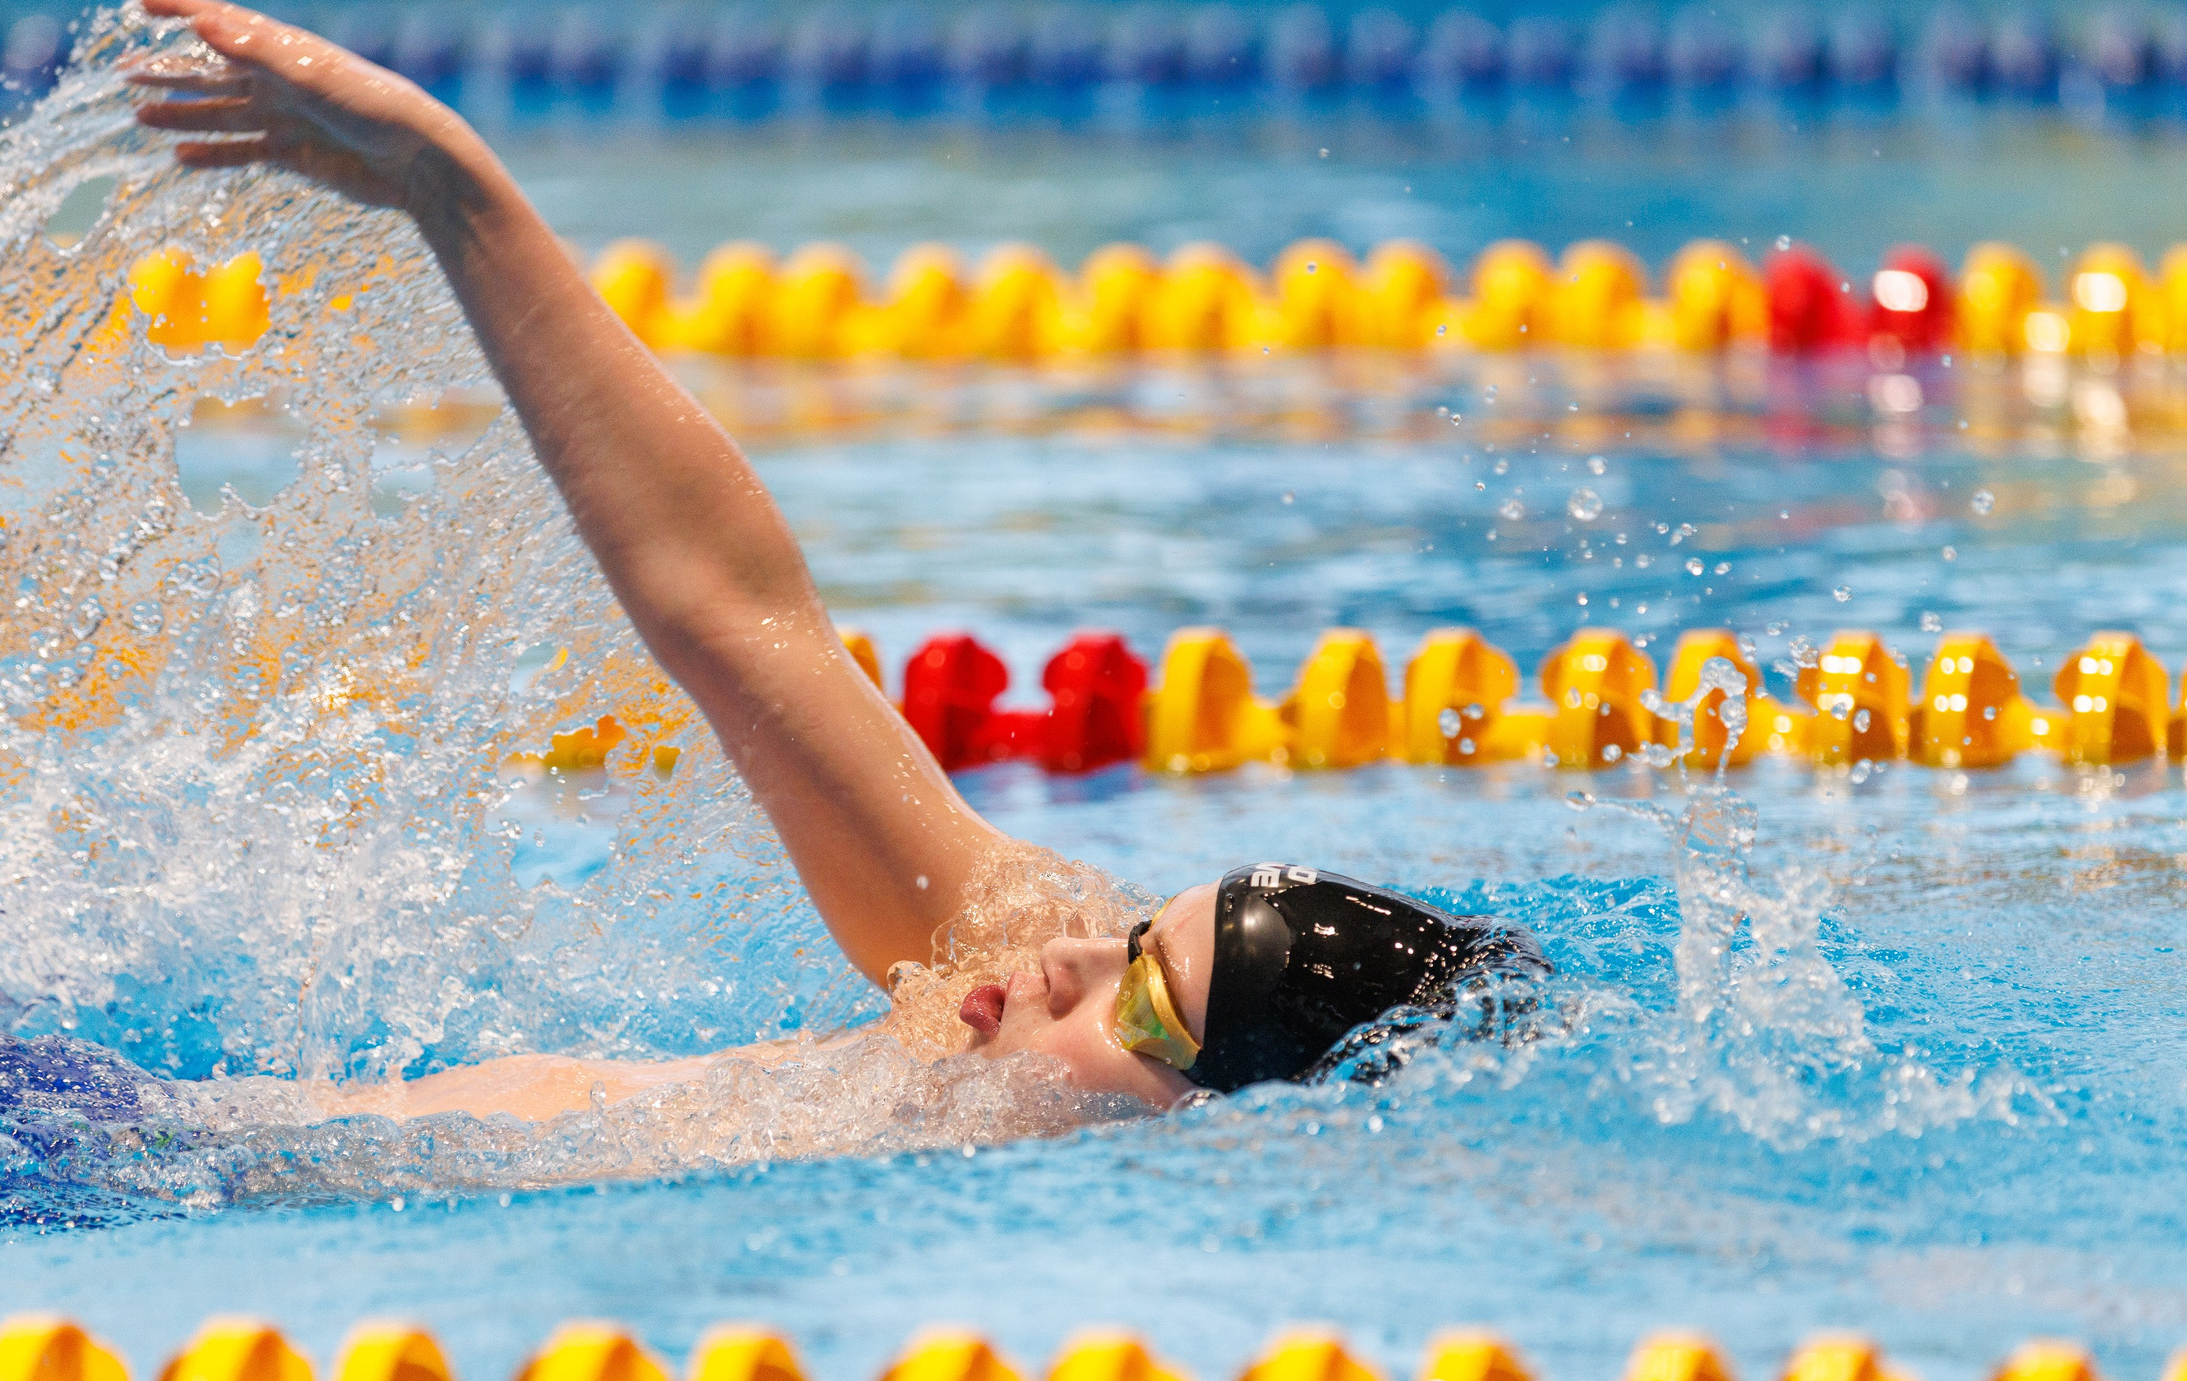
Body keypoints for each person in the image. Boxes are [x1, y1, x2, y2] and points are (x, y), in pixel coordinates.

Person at [130, 0, 1547, 1125]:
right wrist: (453, 186)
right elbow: (737, 615)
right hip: (75, 1144)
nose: (1067, 962)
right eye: (1128, 940)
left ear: (1237, 1135)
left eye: (1144, 1011)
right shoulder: (994, 984)